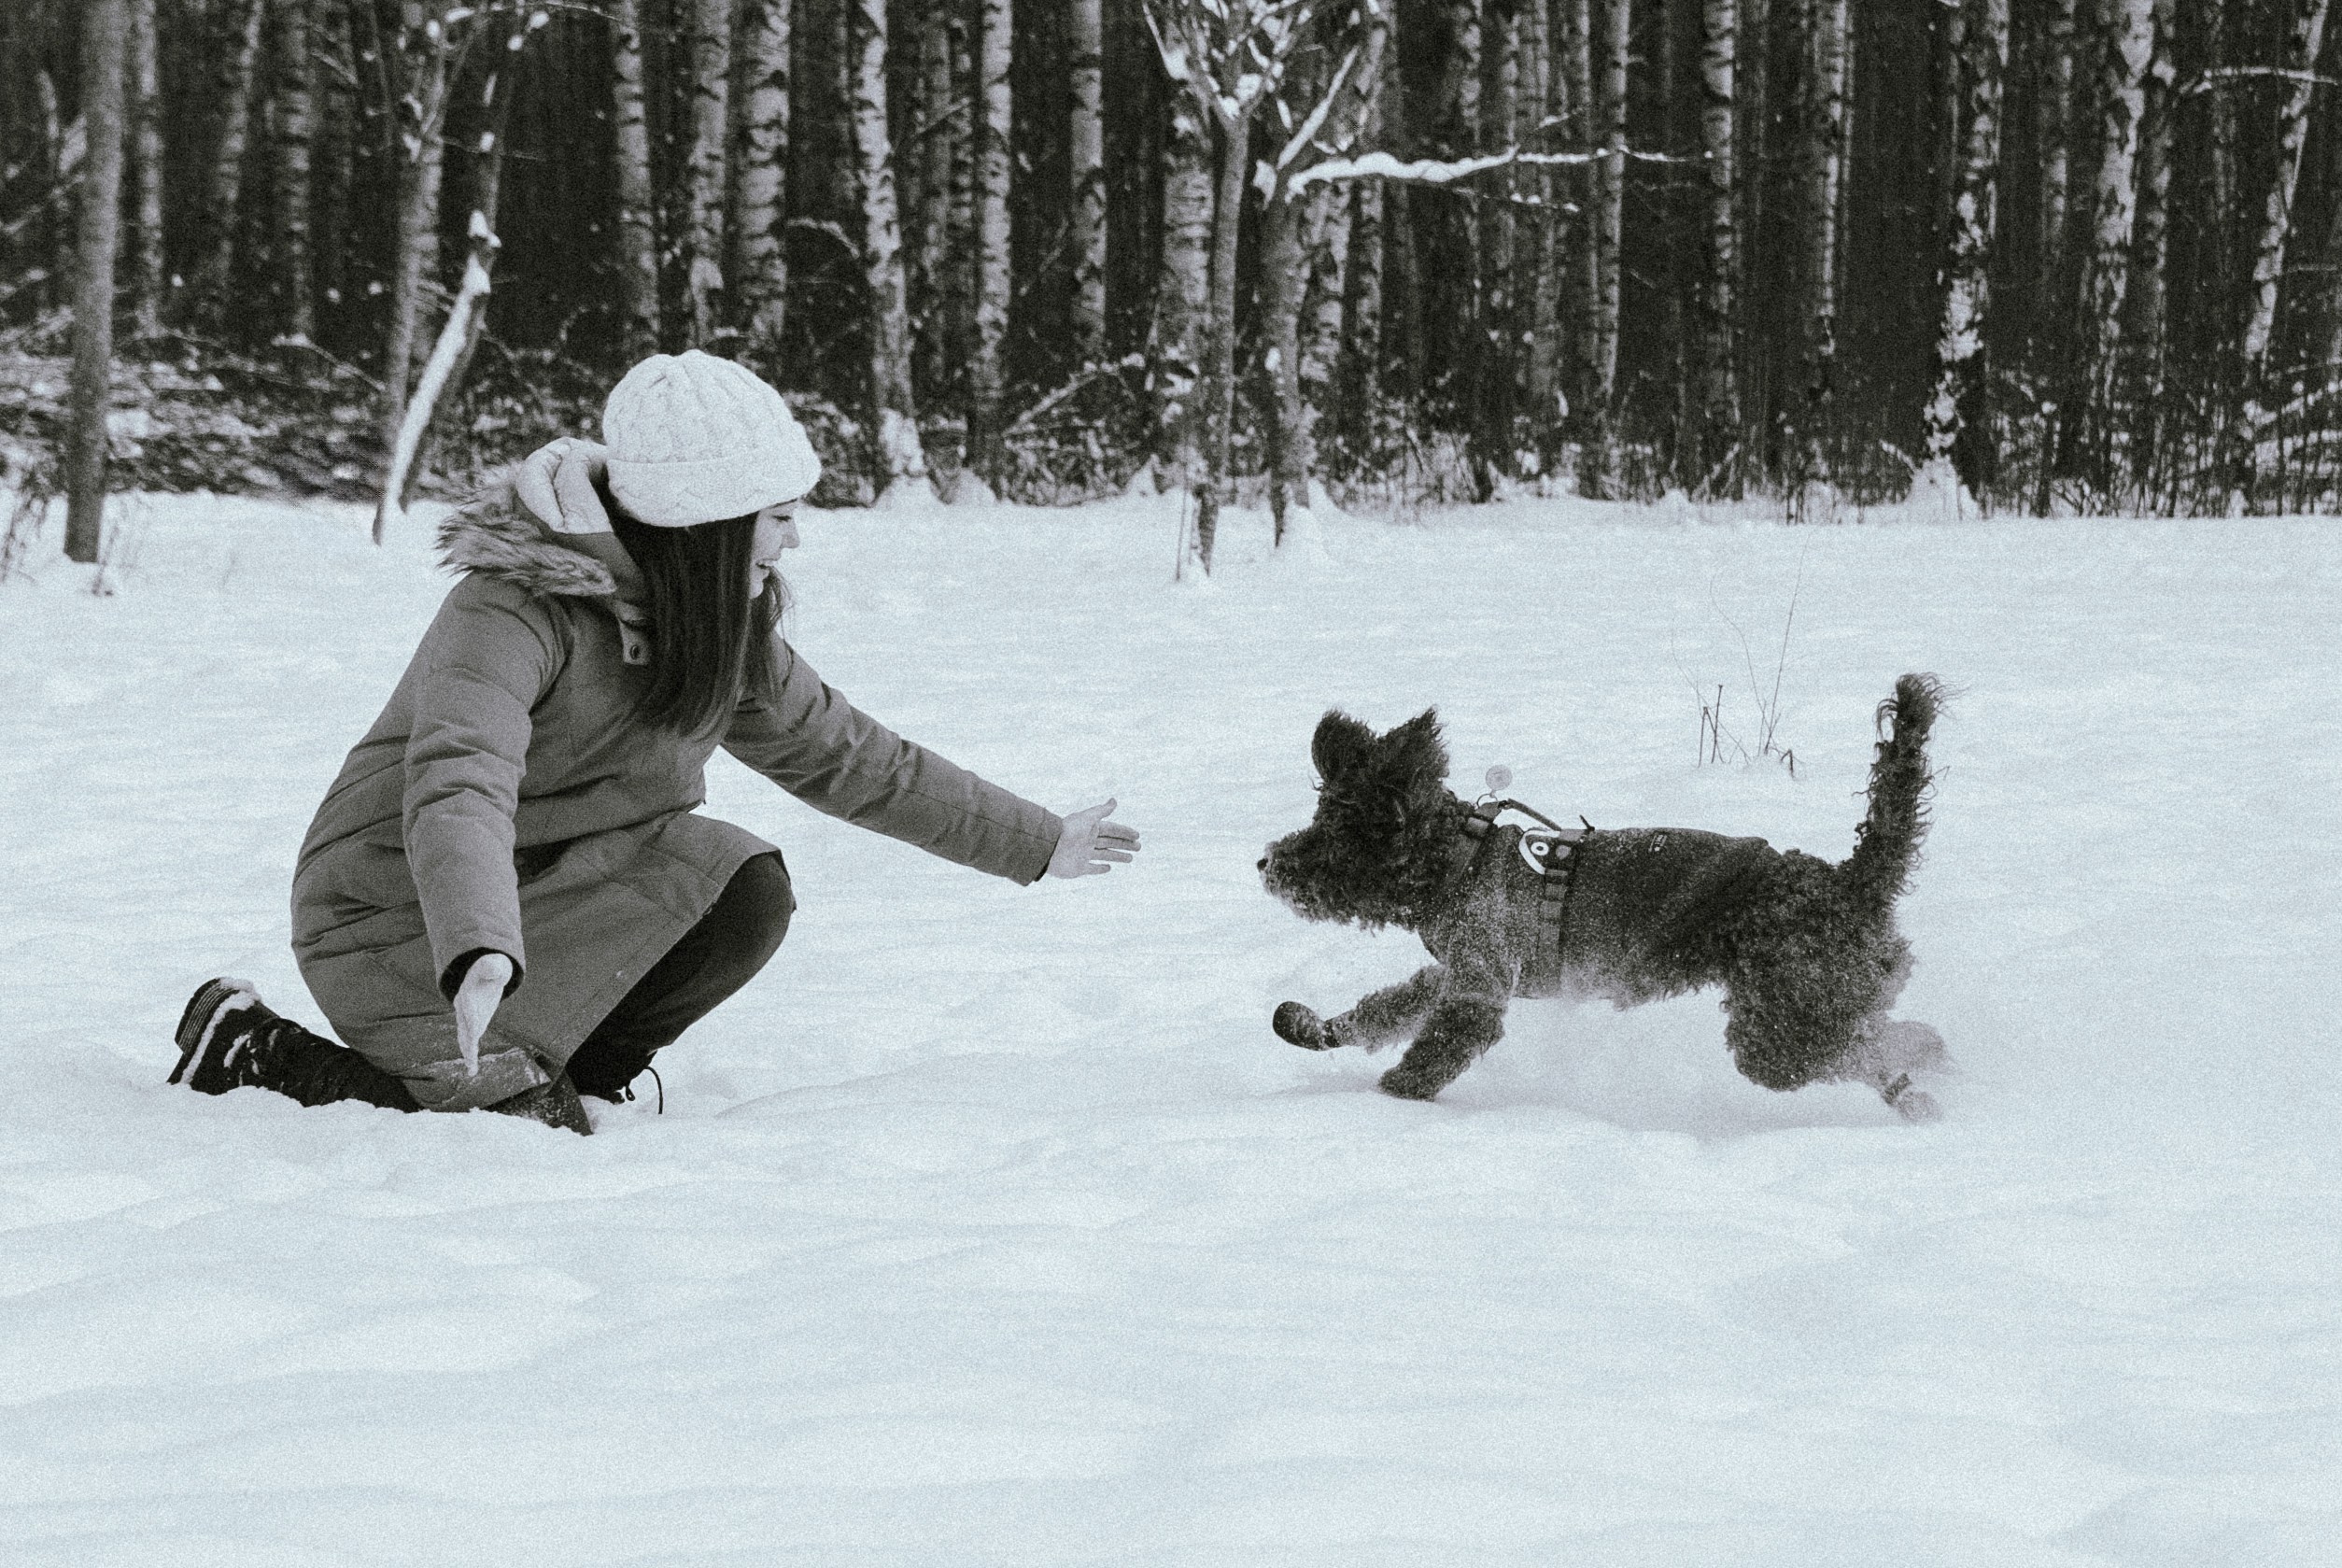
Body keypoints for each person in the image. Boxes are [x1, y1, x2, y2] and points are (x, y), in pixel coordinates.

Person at [169, 350, 1138, 1134]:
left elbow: (851, 757)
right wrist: (476, 947)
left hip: (548, 895)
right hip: (398, 915)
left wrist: (1037, 839)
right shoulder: (513, 607)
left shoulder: (718, 626)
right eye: (780, 517)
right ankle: (252, 1049)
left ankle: (579, 1072)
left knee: (737, 881)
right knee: (507, 1149)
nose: (792, 541)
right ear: (708, 527)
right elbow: (459, 783)